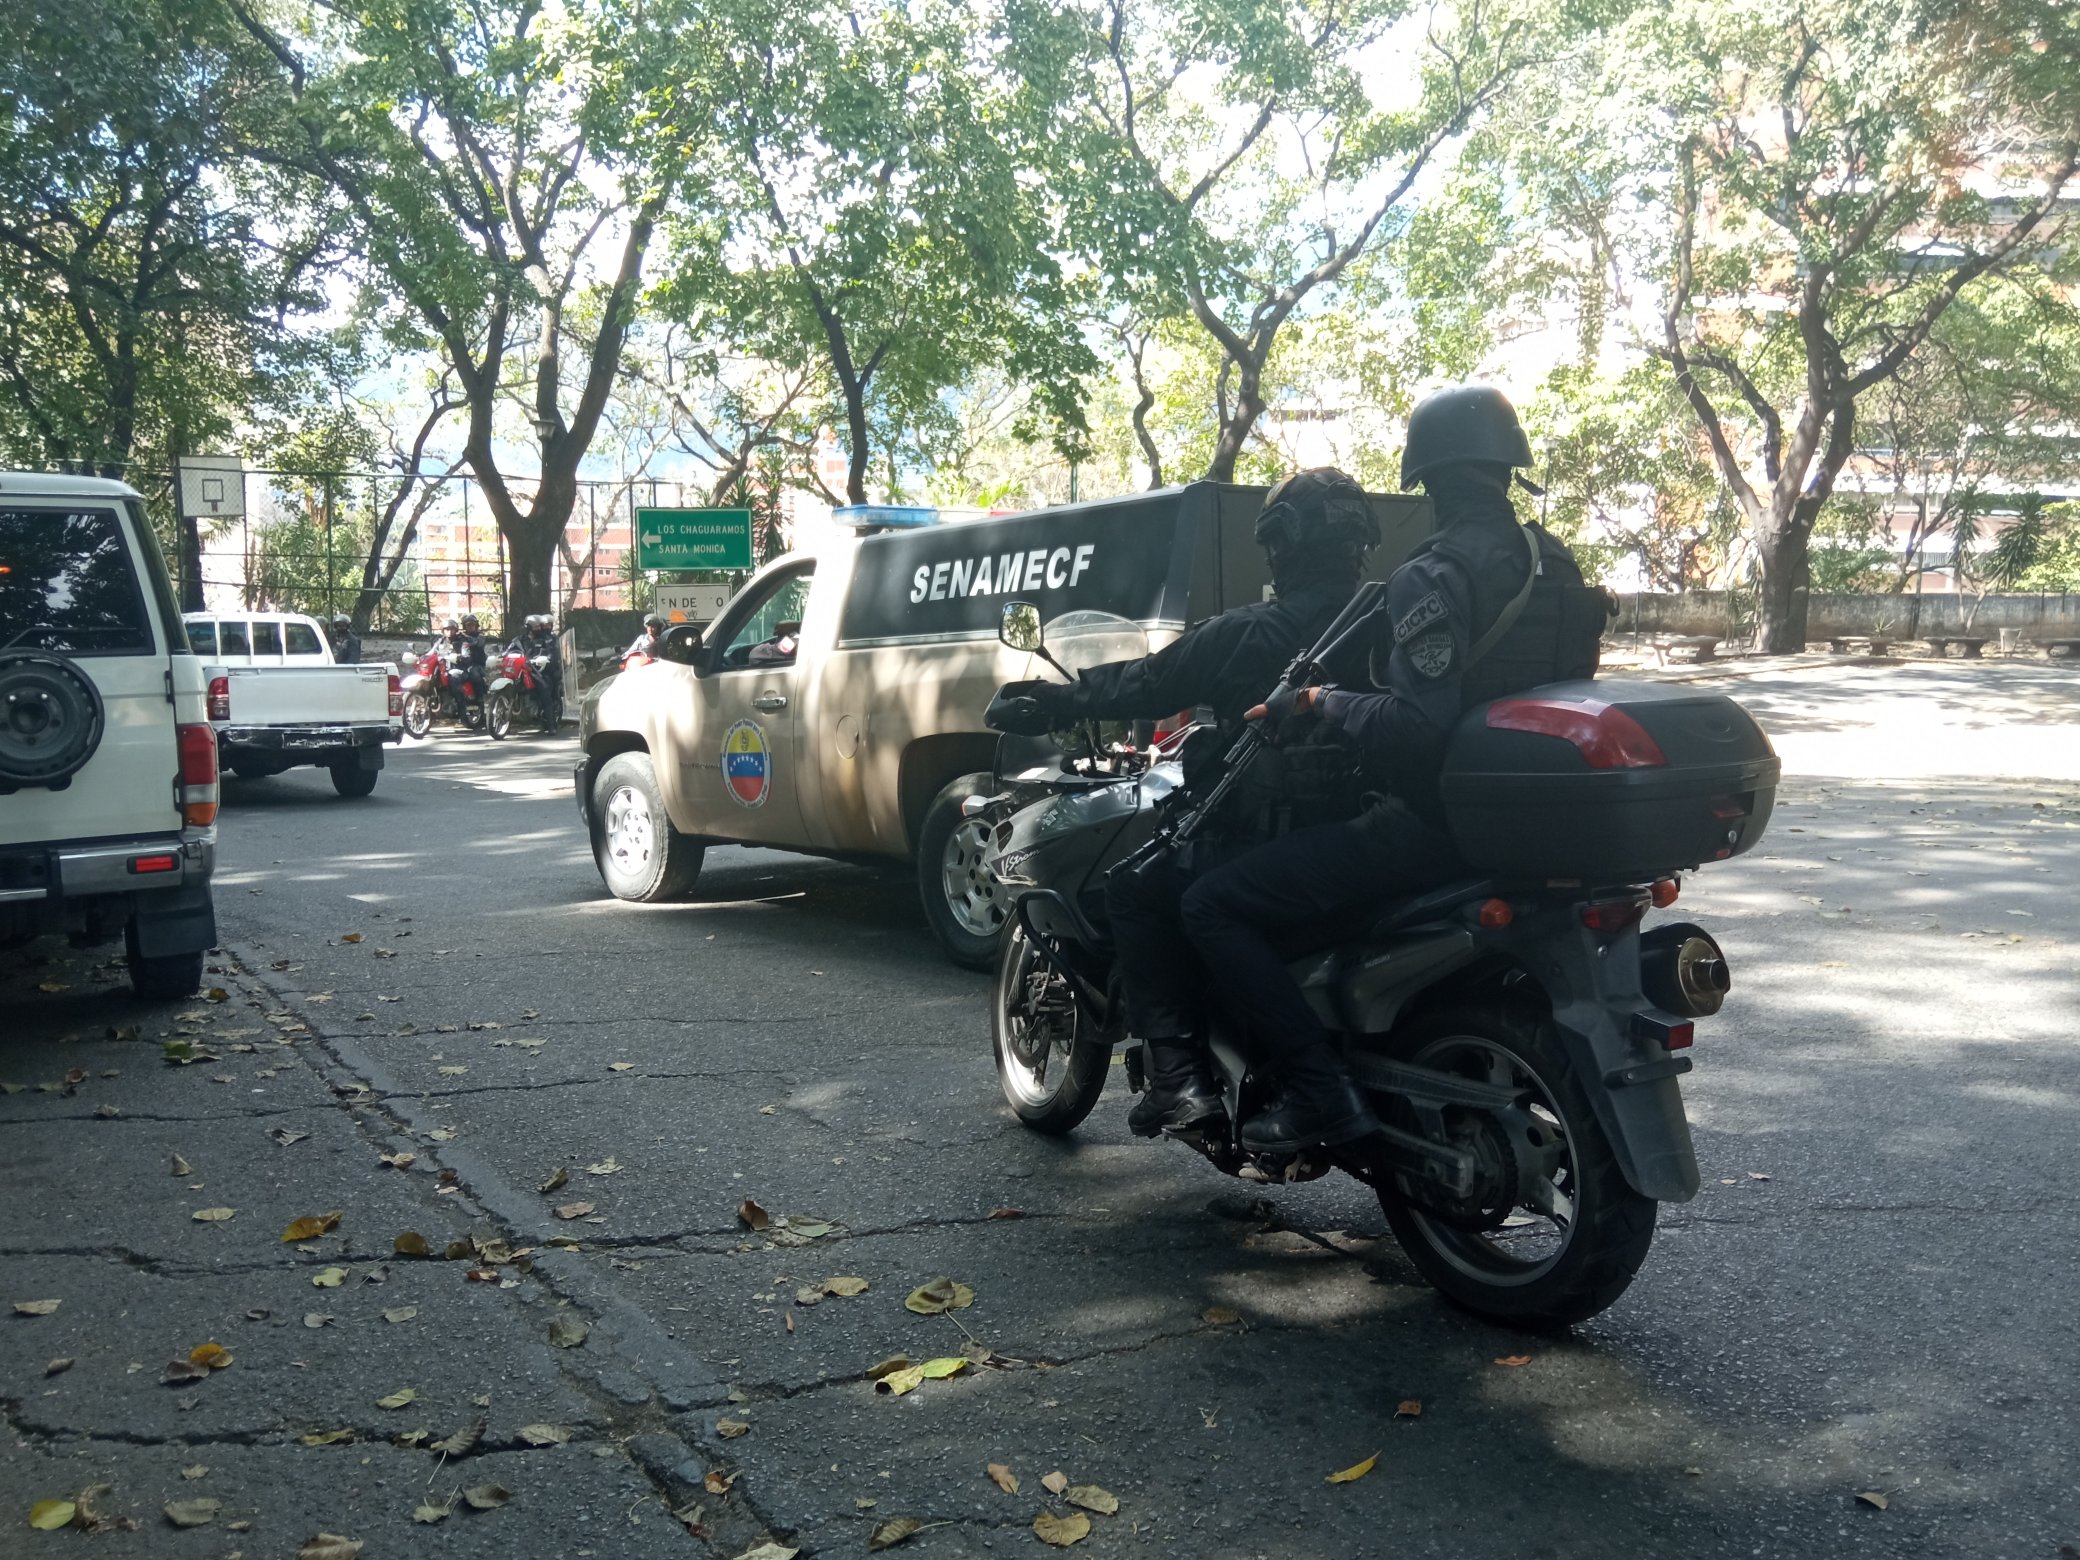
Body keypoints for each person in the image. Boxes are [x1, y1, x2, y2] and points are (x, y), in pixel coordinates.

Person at [1177, 385, 1611, 1154]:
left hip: (1435, 827)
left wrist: (1321, 702)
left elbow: (1417, 726)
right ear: (1511, 468)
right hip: (1538, 826)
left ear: (1429, 479)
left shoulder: (1435, 574)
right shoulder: (1557, 563)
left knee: (1213, 904)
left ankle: (1319, 1093)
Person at [990, 469, 1379, 1138]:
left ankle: (1178, 1080)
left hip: (1269, 841)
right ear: (1357, 542)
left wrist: (1052, 697)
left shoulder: (1253, 633)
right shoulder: (1388, 620)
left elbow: (1148, 683)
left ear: (1282, 547)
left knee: (1138, 890)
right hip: (1369, 837)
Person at [511, 613, 562, 722]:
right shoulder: (519, 640)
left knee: (544, 688)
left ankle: (551, 723)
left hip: (538, 670)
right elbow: (508, 651)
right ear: (528, 627)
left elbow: (552, 653)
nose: (539, 629)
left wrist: (545, 658)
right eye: (536, 627)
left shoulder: (546, 640)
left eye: (539, 626)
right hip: (521, 669)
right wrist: (500, 657)